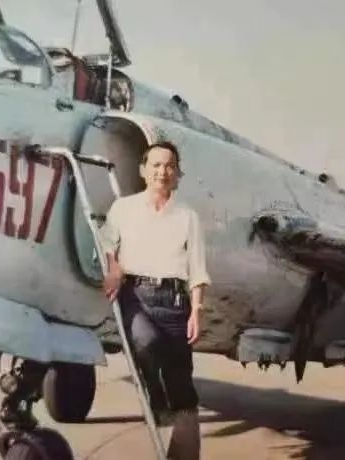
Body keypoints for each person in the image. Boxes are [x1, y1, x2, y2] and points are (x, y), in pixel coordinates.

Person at [100, 141, 210, 459]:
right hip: (136, 295)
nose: (163, 172)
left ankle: (184, 451)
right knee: (145, 342)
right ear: (143, 170)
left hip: (175, 301)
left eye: (170, 166)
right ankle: (155, 399)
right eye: (156, 165)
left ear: (178, 174)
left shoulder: (188, 216)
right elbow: (107, 241)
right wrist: (114, 268)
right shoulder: (123, 208)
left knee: (182, 385)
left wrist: (196, 311)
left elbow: (197, 269)